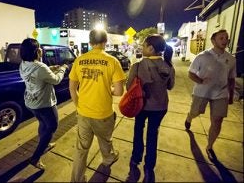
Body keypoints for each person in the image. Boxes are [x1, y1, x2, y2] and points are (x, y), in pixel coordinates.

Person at [69, 29, 126, 182]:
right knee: (105, 140)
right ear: (105, 42)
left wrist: (78, 106)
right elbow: (119, 91)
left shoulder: (79, 60)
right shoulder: (112, 61)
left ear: (90, 42)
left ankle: (77, 179)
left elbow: (72, 88)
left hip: (83, 114)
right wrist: (108, 89)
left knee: (81, 150)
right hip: (104, 113)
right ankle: (108, 159)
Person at [127, 34, 175, 183]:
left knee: (138, 130)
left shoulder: (138, 66)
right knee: (153, 135)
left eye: (143, 45)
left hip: (141, 106)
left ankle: (136, 159)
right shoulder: (168, 66)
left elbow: (129, 87)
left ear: (150, 48)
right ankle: (149, 166)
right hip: (160, 107)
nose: (141, 48)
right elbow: (170, 86)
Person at [184, 29, 236, 161]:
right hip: (202, 92)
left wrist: (230, 95)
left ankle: (210, 146)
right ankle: (189, 117)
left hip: (221, 93)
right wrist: (201, 81)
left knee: (217, 120)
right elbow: (191, 73)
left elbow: (231, 78)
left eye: (226, 38)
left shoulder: (231, 59)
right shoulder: (202, 56)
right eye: (221, 38)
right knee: (195, 112)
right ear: (213, 41)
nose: (225, 40)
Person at [19, 38, 69, 170]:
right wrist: (63, 68)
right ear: (36, 51)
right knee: (52, 127)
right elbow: (56, 80)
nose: (41, 50)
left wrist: (51, 68)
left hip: (31, 102)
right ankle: (35, 158)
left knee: (42, 123)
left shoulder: (23, 64)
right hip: (44, 104)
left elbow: (37, 73)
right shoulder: (40, 67)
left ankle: (45, 144)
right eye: (39, 48)